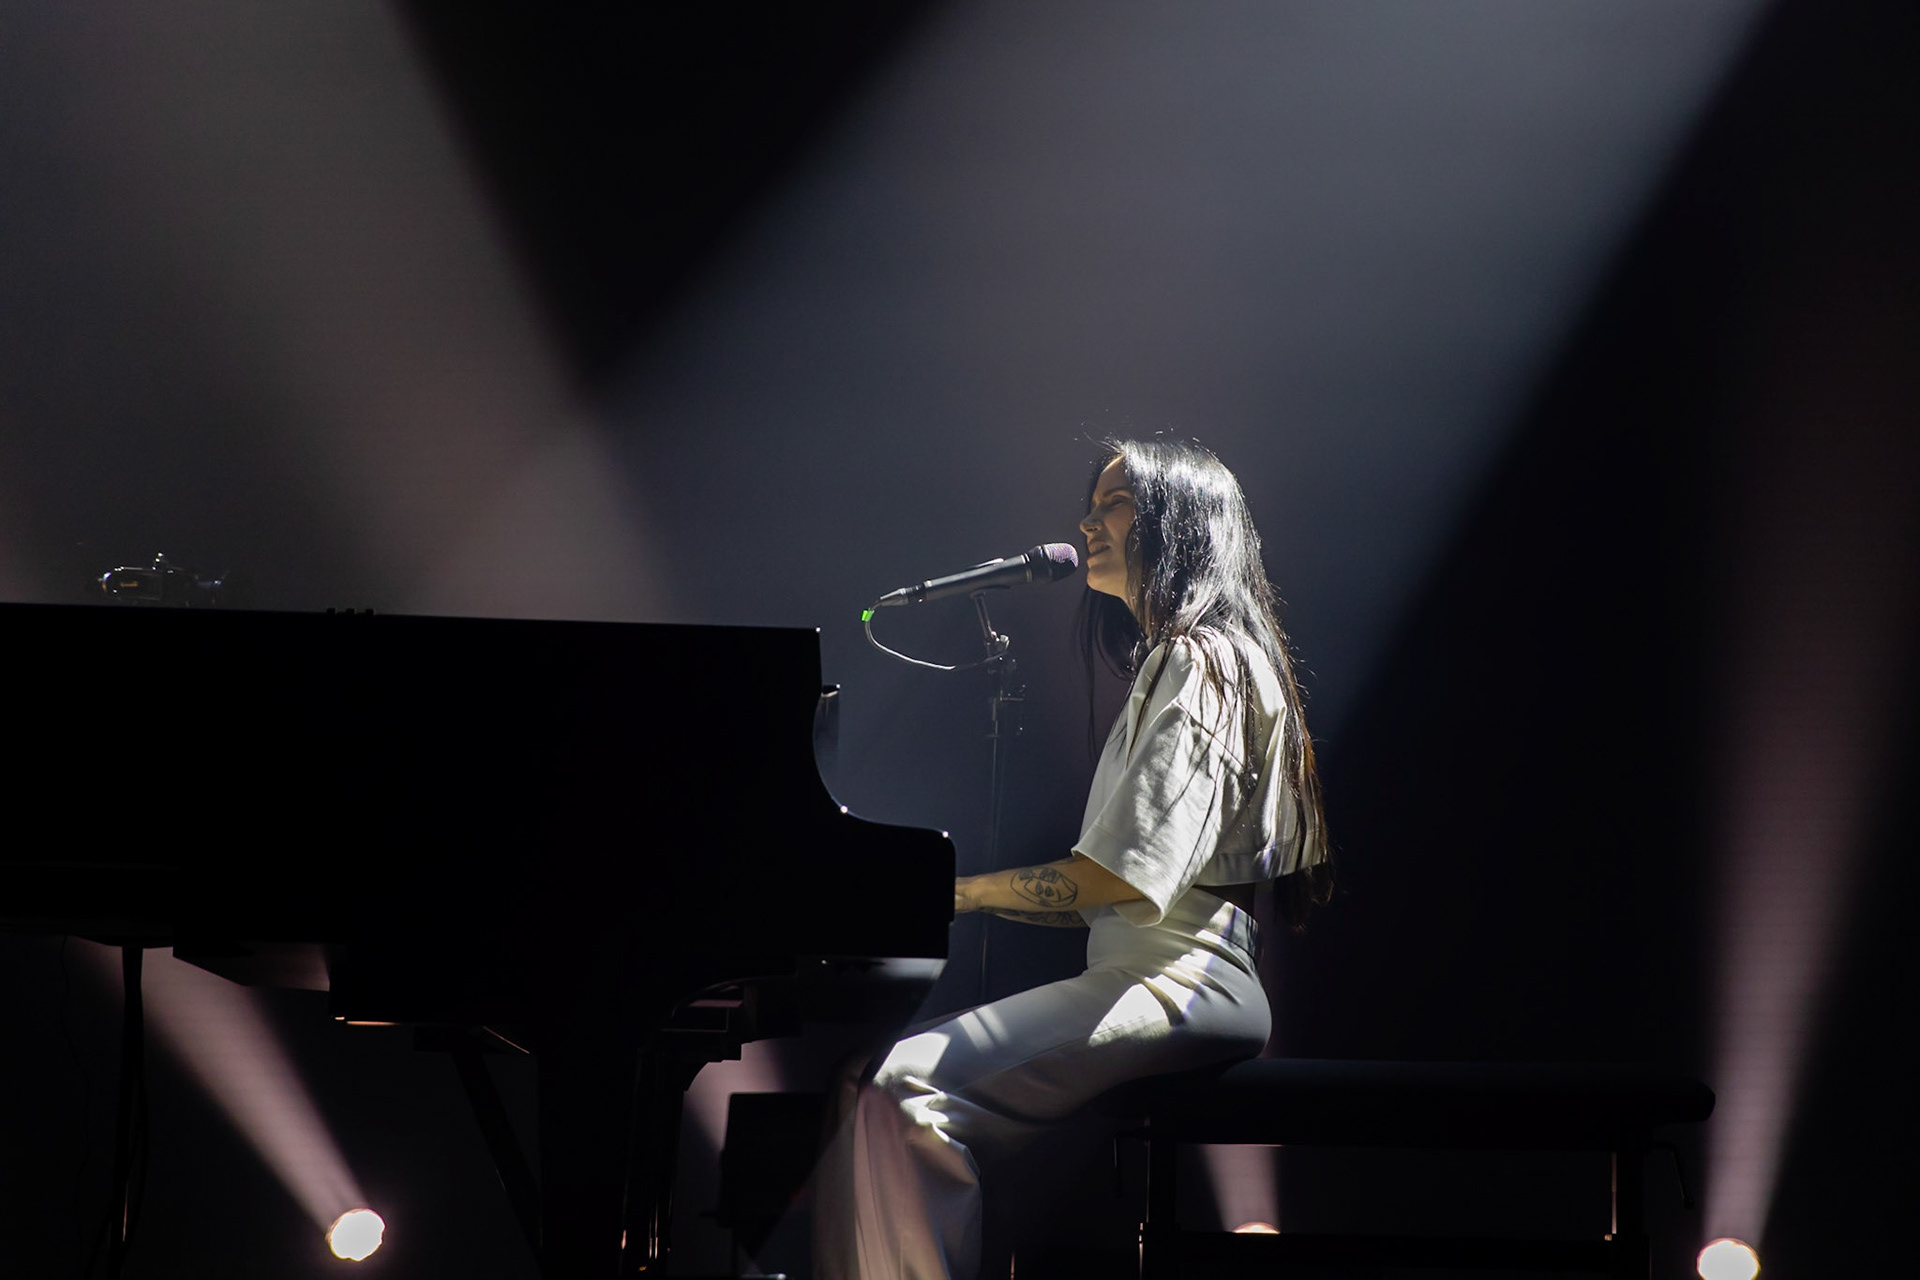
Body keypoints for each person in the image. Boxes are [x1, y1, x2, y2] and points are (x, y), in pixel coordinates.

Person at [816, 438, 1331, 1279]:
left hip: (1180, 982)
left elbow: (1122, 880)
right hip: (1159, 974)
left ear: (1180, 522)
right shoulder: (1199, 660)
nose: (1087, 522)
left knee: (903, 1091)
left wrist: (956, 892)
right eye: (1090, 503)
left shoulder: (1198, 659)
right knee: (863, 1085)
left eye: (1115, 502)